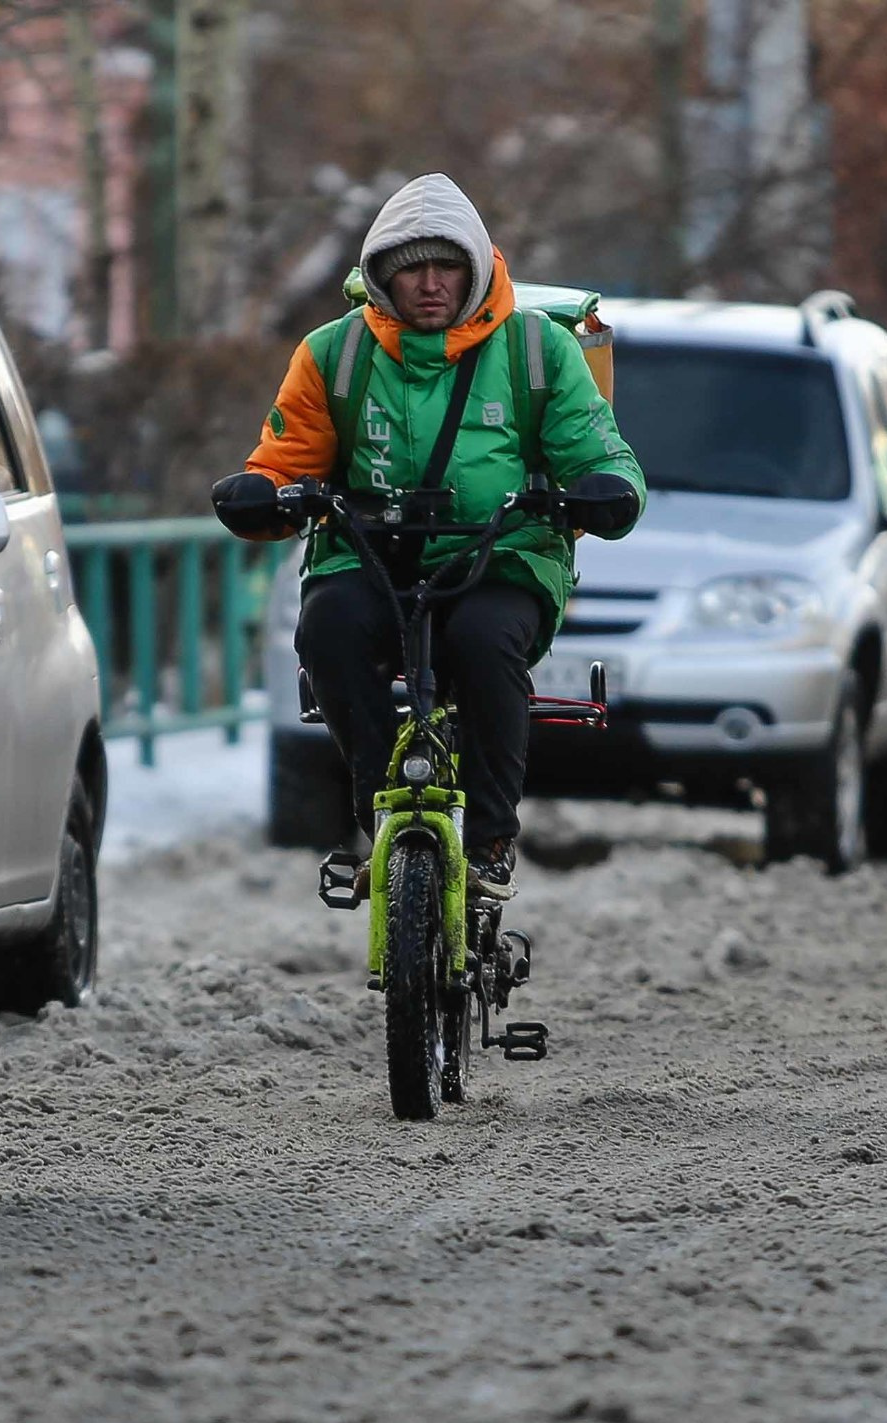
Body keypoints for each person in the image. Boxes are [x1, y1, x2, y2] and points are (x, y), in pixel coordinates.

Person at [212, 174, 644, 899]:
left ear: (475, 267)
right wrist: (265, 493)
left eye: (447, 265)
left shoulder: (537, 350)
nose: (432, 283)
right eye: (412, 267)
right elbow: (286, 461)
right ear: (380, 274)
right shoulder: (332, 354)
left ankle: (491, 838)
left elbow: (596, 451)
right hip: (367, 555)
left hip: (504, 553)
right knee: (329, 629)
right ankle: (379, 809)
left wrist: (603, 489)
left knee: (483, 640)